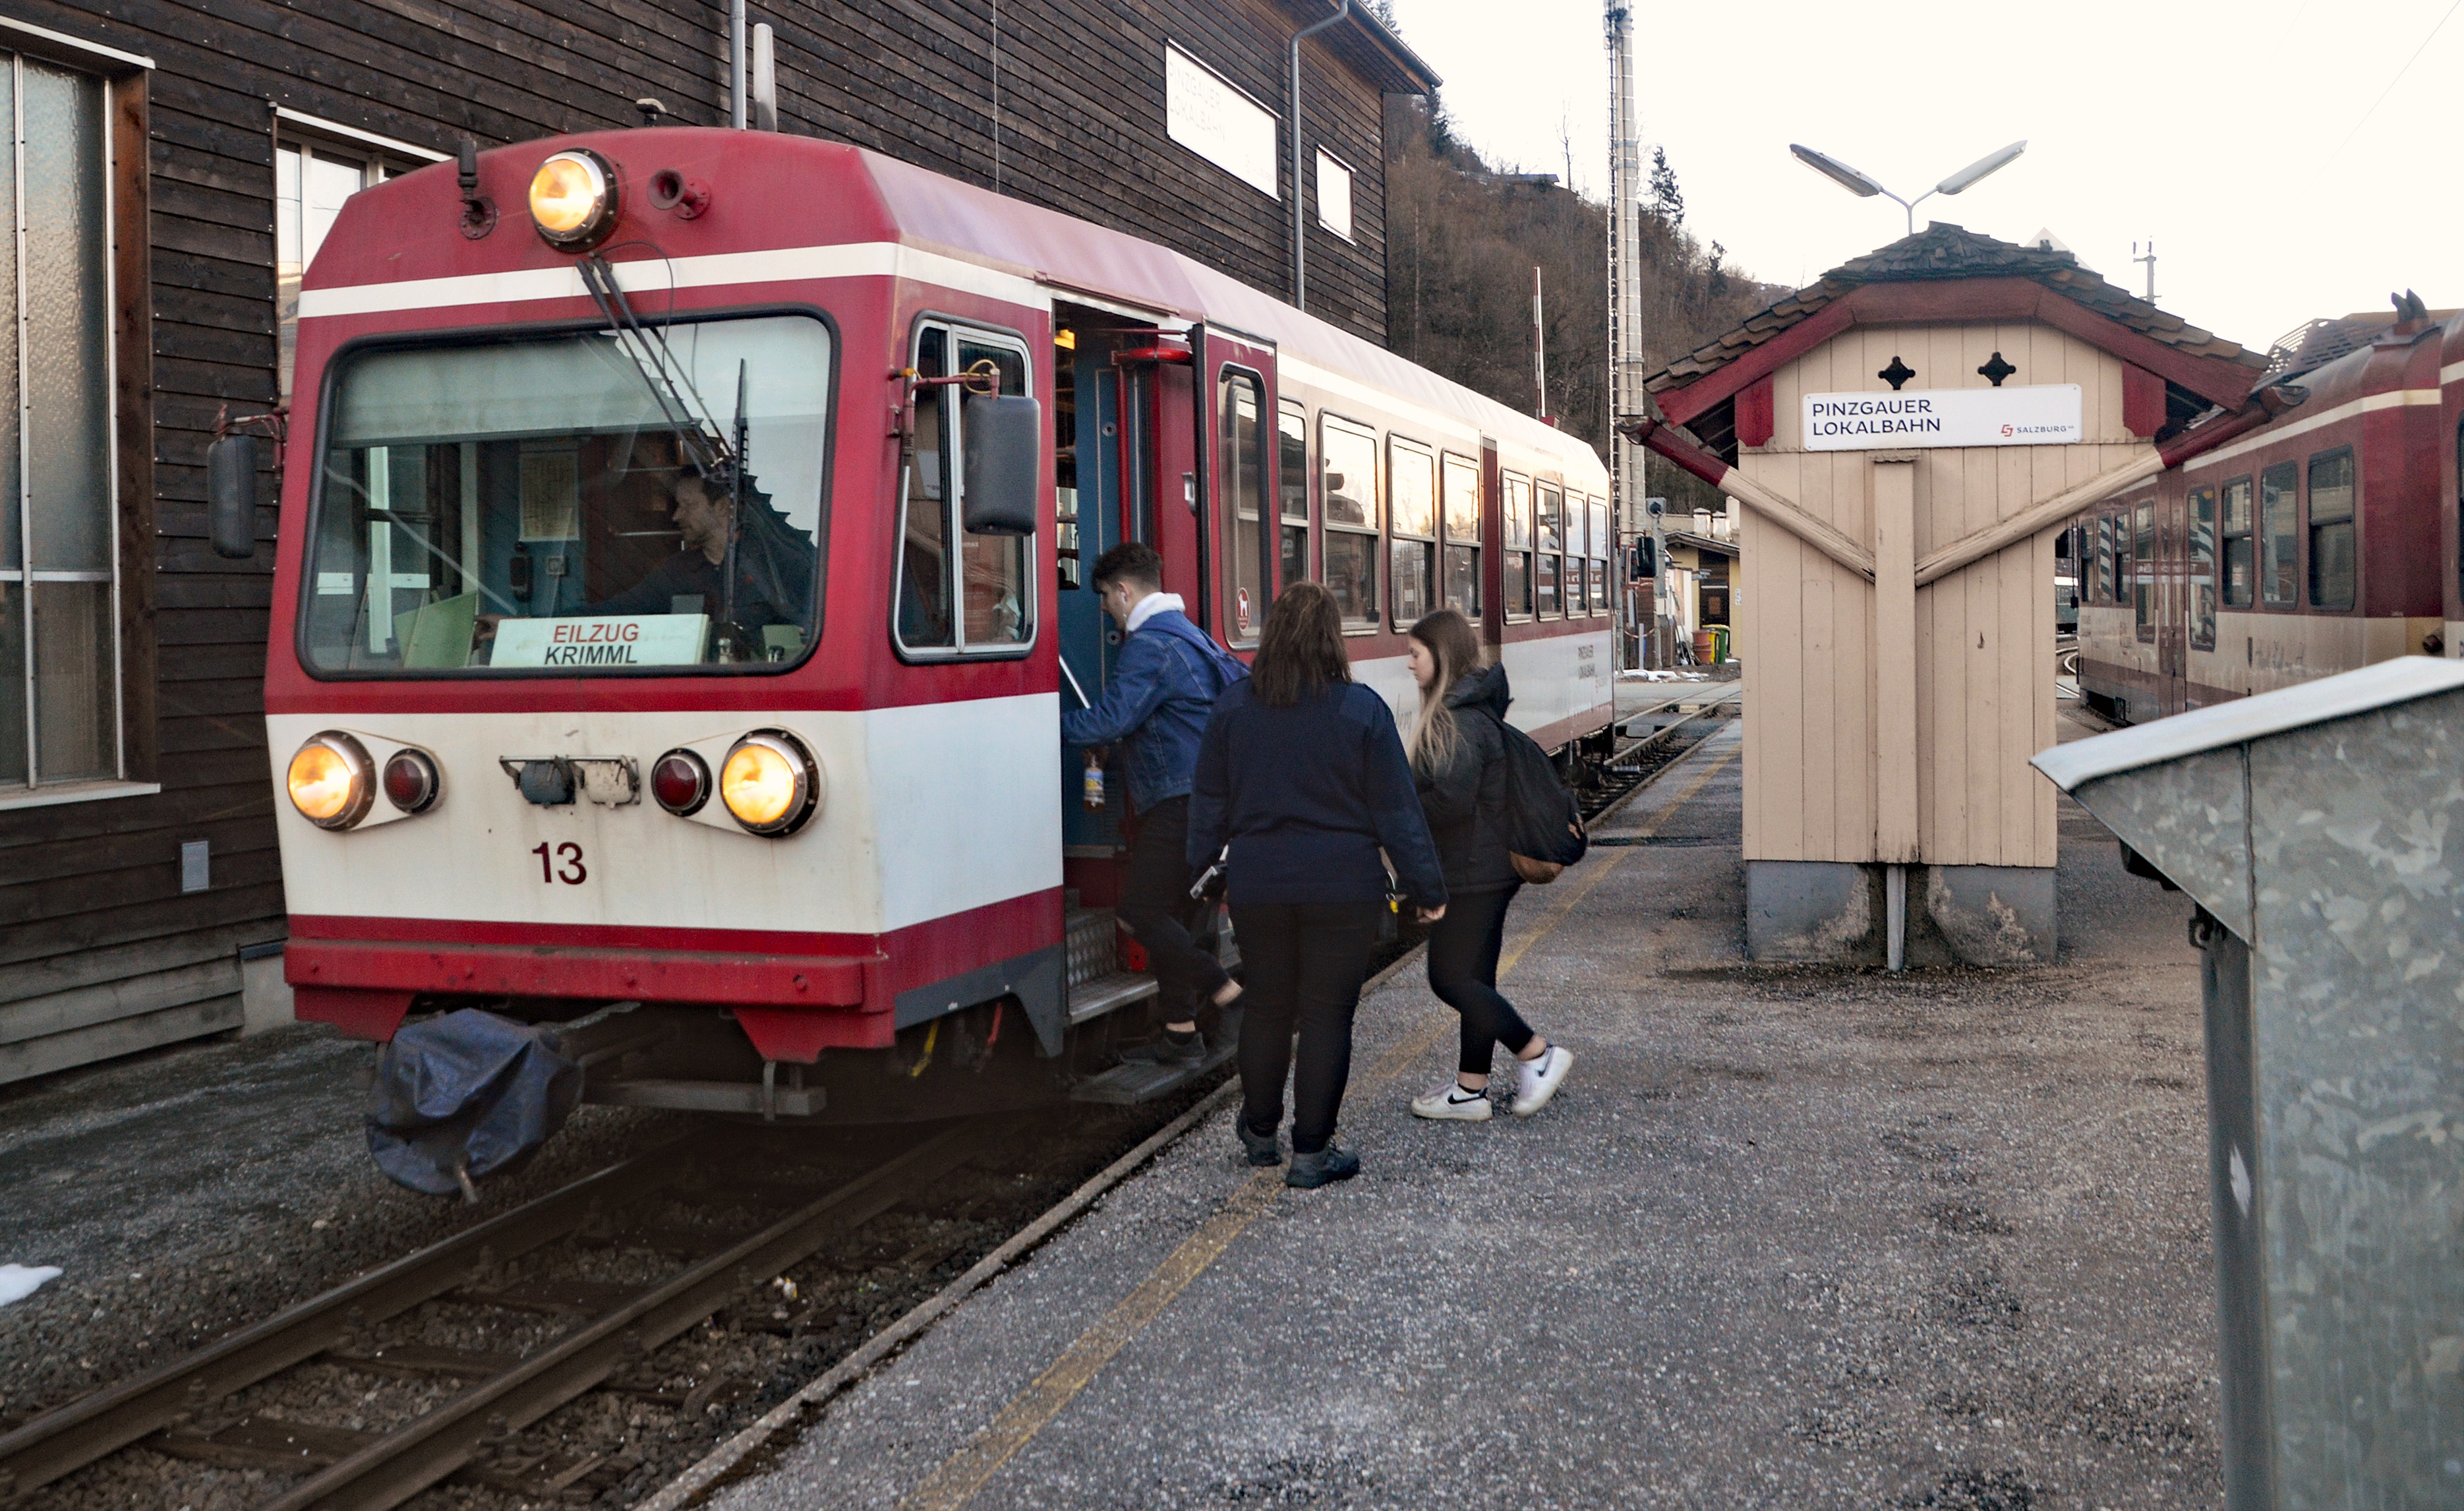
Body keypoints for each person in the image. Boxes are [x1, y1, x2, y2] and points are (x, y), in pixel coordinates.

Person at [1188, 582, 1446, 1188]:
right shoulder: (1361, 711)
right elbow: (1398, 812)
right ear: (1333, 639)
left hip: (1259, 884)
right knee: (1328, 1015)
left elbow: (1208, 804)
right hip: (1343, 886)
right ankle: (1312, 1152)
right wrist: (1426, 887)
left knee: (1268, 1007)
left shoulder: (1233, 708)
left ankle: (1259, 1133)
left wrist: (1198, 874)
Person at [1062, 542, 1248, 1065]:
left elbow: (1111, 720)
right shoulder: (1189, 635)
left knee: (1139, 912)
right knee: (1177, 920)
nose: (1105, 609)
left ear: (1124, 592)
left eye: (1105, 597)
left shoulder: (1149, 645)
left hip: (1180, 803)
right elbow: (1170, 722)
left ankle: (1228, 993)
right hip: (1209, 800)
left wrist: (1036, 723)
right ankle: (1180, 1035)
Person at [1401, 610, 1574, 1121]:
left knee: (1448, 978)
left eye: (1415, 654)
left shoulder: (1456, 720)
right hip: (1487, 868)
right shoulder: (1471, 710)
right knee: (1476, 978)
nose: (1409, 663)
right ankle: (1470, 1090)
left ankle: (1537, 1053)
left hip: (1472, 872)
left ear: (1440, 657)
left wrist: (1397, 807)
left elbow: (1451, 802)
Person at [586, 468, 811, 631]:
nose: (676, 516)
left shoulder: (780, 563)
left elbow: (810, 629)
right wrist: (565, 622)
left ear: (723, 507)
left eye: (689, 505)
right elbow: (624, 608)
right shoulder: (680, 570)